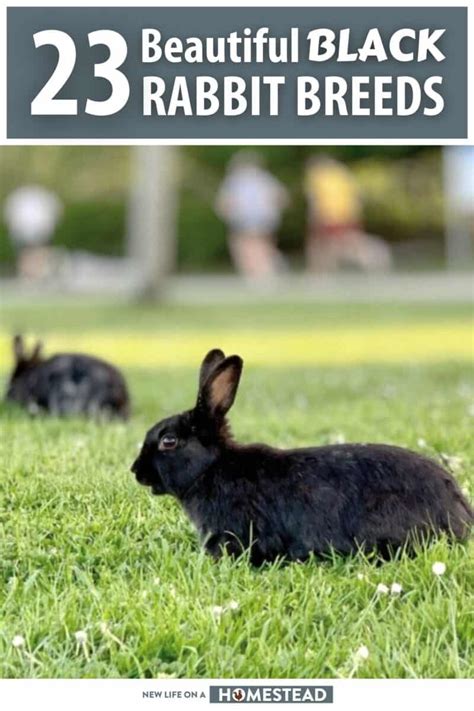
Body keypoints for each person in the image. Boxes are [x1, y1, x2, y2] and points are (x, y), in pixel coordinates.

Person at [304, 155, 392, 272]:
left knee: (322, 246)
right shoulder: (343, 174)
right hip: (346, 216)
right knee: (338, 245)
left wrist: (314, 218)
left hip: (329, 217)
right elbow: (357, 197)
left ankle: (320, 272)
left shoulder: (319, 177)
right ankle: (373, 259)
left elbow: (316, 200)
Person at [215, 151, 289, 279]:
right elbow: (281, 197)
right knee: (261, 246)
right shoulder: (265, 178)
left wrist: (227, 214)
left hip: (244, 218)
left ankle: (258, 273)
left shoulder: (235, 180)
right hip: (266, 218)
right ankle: (267, 268)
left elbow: (225, 203)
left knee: (245, 247)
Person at [3, 185, 63, 280]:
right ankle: (29, 276)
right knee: (27, 253)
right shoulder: (20, 197)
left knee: (38, 252)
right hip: (23, 229)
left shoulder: (42, 197)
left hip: (40, 229)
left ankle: (36, 275)